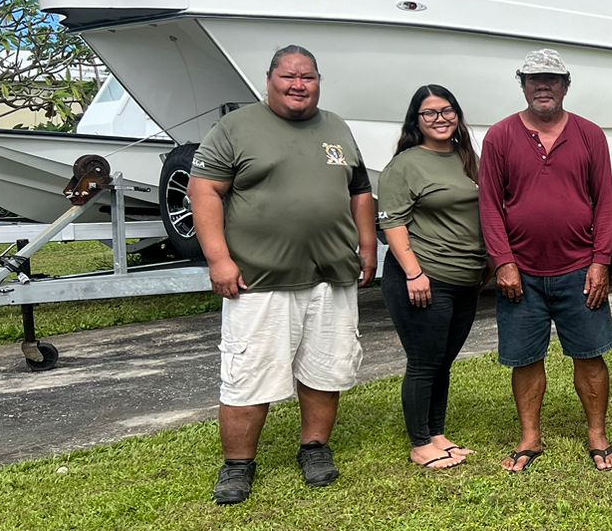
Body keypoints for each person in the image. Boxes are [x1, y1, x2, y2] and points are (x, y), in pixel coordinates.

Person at [189, 44, 377, 505]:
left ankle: (314, 448)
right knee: (248, 375)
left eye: (308, 77)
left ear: (318, 81)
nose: (298, 85)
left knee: (324, 370)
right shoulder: (236, 128)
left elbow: (359, 191)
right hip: (259, 279)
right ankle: (238, 465)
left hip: (331, 275)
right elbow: (204, 190)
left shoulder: (335, 126)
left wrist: (368, 246)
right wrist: (218, 259)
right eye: (288, 76)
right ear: (268, 79)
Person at [479, 48, 612, 473]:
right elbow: (489, 205)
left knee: (591, 354)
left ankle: (597, 435)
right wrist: (503, 261)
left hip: (579, 269)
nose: (544, 86)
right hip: (520, 272)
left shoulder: (590, 135)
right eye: (534, 79)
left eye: (552, 80)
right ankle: (530, 437)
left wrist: (601, 261)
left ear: (566, 86)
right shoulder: (500, 136)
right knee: (525, 358)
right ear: (522, 84)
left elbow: (604, 205)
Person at [378, 84, 487, 470]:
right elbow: (392, 222)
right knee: (425, 360)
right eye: (430, 113)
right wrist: (414, 273)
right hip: (425, 277)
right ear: (417, 121)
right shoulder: (405, 164)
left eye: (447, 111)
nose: (440, 119)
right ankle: (420, 442)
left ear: (457, 115)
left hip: (465, 278)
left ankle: (437, 433)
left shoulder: (466, 157)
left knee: (444, 360)